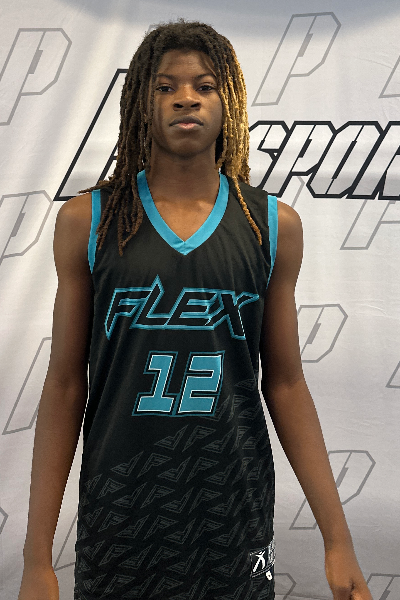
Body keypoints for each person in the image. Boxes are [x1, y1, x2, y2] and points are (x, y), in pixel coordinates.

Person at [18, 19, 372, 600]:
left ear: (228, 101)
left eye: (204, 85)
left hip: (234, 515)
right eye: (166, 86)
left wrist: (338, 538)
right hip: (119, 516)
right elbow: (63, 385)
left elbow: (286, 384)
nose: (185, 97)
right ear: (141, 102)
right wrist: (37, 558)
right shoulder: (89, 221)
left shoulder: (272, 226)